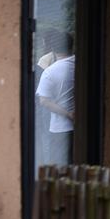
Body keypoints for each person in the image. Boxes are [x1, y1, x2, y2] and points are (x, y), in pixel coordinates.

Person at [35, 31, 75, 166]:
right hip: (82, 128)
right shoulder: (83, 66)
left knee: (59, 169)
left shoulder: (50, 72)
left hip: (59, 128)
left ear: (52, 49)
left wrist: (68, 113)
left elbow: (44, 101)